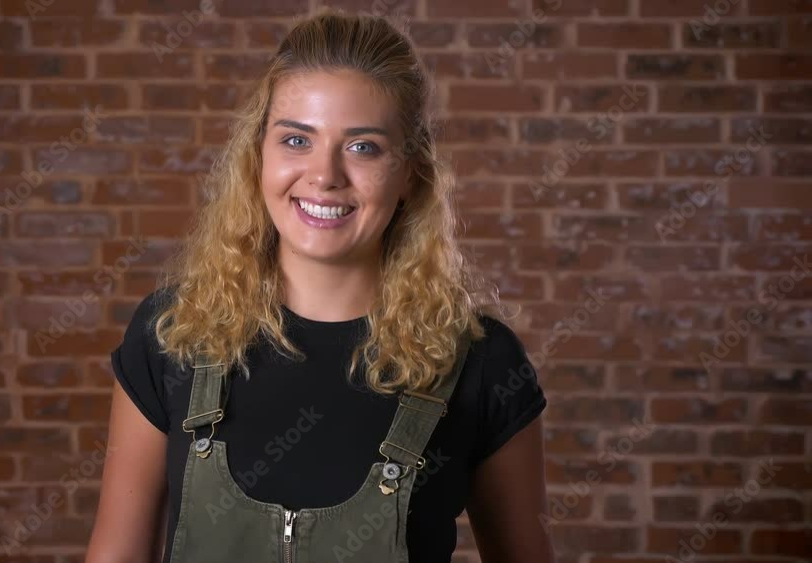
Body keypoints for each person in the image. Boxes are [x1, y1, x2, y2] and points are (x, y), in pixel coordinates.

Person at [87, 8, 554, 563]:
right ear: (258, 155)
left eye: (363, 147)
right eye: (296, 139)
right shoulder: (172, 335)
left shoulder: (483, 364)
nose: (325, 175)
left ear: (410, 173)